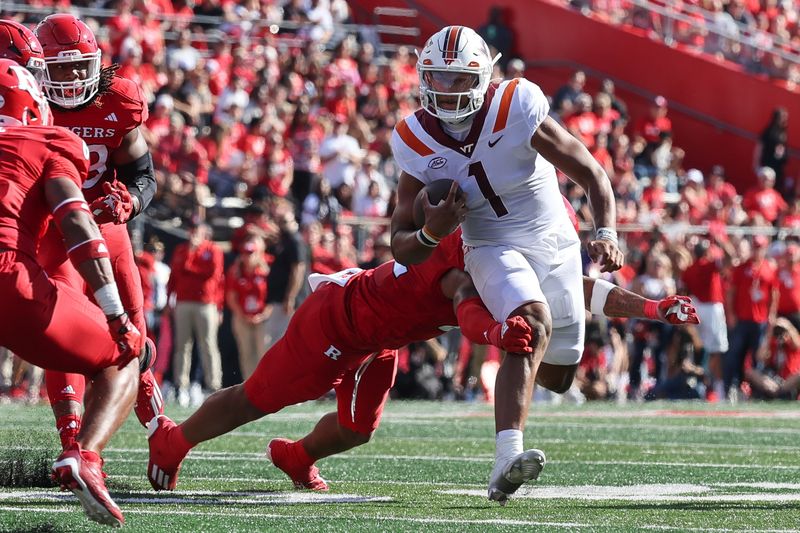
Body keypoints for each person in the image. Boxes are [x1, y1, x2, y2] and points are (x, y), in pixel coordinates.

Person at [147, 225, 694, 495]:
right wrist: (499, 330)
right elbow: (462, 299)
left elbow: (579, 290)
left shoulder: (507, 246)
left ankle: (295, 456)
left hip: (380, 338)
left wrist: (654, 309)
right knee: (258, 398)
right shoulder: (469, 246)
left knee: (357, 430)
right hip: (338, 320)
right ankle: (173, 441)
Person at [388, 26, 622, 504]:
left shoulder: (516, 105)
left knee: (558, 374)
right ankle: (505, 458)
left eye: (457, 79)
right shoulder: (413, 136)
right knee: (528, 324)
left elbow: (591, 172)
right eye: (436, 77)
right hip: (489, 242)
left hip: (555, 239)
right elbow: (399, 244)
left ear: (482, 77)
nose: (444, 89)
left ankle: (531, 386)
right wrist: (434, 231)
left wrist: (606, 232)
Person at [4, 15, 160, 450]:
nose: (73, 77)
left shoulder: (119, 99)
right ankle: (72, 436)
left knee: (134, 327)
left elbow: (144, 174)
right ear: (38, 67)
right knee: (66, 325)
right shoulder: (28, 101)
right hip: (51, 233)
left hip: (104, 226)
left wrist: (130, 200)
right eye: (61, 67)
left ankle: (158, 427)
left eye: (80, 66)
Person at [0, 59, 142, 526]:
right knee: (124, 354)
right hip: (10, 281)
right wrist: (116, 314)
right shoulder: (46, 140)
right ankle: (87, 457)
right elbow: (78, 224)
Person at [167, 222, 224, 406]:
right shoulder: (181, 250)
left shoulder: (213, 250)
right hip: (183, 301)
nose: (193, 235)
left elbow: (212, 273)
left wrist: (190, 267)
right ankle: (180, 386)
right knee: (182, 345)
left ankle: (213, 385)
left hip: (206, 303)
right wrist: (170, 298)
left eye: (196, 231)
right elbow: (175, 275)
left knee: (208, 344)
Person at [226, 232, 271, 380]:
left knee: (264, 352)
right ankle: (249, 387)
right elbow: (231, 297)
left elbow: (273, 295)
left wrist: (263, 315)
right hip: (242, 317)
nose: (247, 256)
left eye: (251, 253)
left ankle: (266, 385)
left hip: (263, 317)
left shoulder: (267, 267)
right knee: (246, 354)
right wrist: (243, 315)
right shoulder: (236, 270)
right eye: (245, 253)